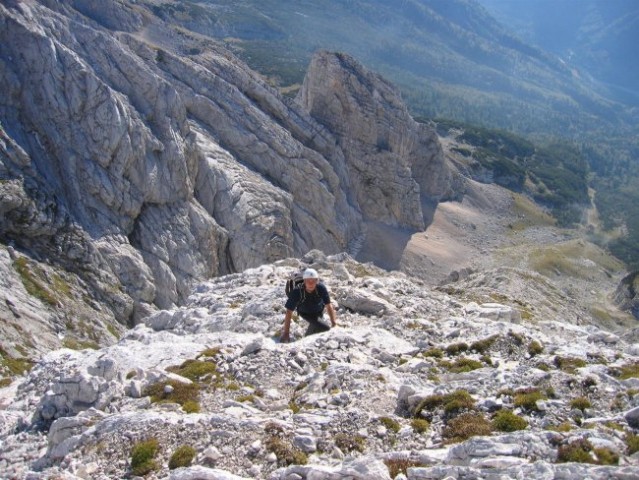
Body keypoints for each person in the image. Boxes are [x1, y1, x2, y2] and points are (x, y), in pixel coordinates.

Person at [280, 268, 337, 342]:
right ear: (304, 281)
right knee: (325, 328)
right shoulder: (297, 291)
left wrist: (334, 323)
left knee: (316, 326)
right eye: (308, 281)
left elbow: (328, 305)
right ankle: (304, 342)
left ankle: (305, 340)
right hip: (305, 313)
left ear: (317, 281)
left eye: (313, 281)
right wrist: (286, 333)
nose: (310, 283)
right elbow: (289, 312)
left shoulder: (321, 288)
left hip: (319, 311)